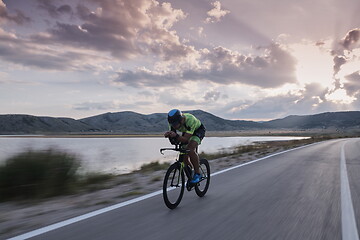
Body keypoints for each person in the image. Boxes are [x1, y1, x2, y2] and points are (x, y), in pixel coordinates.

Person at [164, 109, 206, 184]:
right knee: (183, 156)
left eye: (176, 124)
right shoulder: (172, 123)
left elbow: (186, 140)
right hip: (187, 132)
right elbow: (174, 140)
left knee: (190, 149)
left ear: (181, 120)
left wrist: (176, 135)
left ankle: (197, 173)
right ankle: (191, 173)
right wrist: (170, 136)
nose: (175, 127)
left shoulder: (190, 119)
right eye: (173, 125)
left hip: (198, 131)